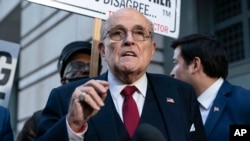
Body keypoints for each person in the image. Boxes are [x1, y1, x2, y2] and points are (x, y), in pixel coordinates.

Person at [35, 8, 206, 141]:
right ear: (102, 50)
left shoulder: (181, 93)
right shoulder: (65, 98)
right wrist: (73, 124)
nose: (129, 40)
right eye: (118, 33)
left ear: (152, 50)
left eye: (139, 33)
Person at [170, 33, 250, 141]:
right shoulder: (180, 110)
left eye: (176, 63)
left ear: (195, 65)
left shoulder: (244, 101)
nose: (172, 73)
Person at [16, 41, 102, 141]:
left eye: (92, 66)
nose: (86, 70)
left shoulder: (112, 113)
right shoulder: (37, 122)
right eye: (76, 66)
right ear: (63, 80)